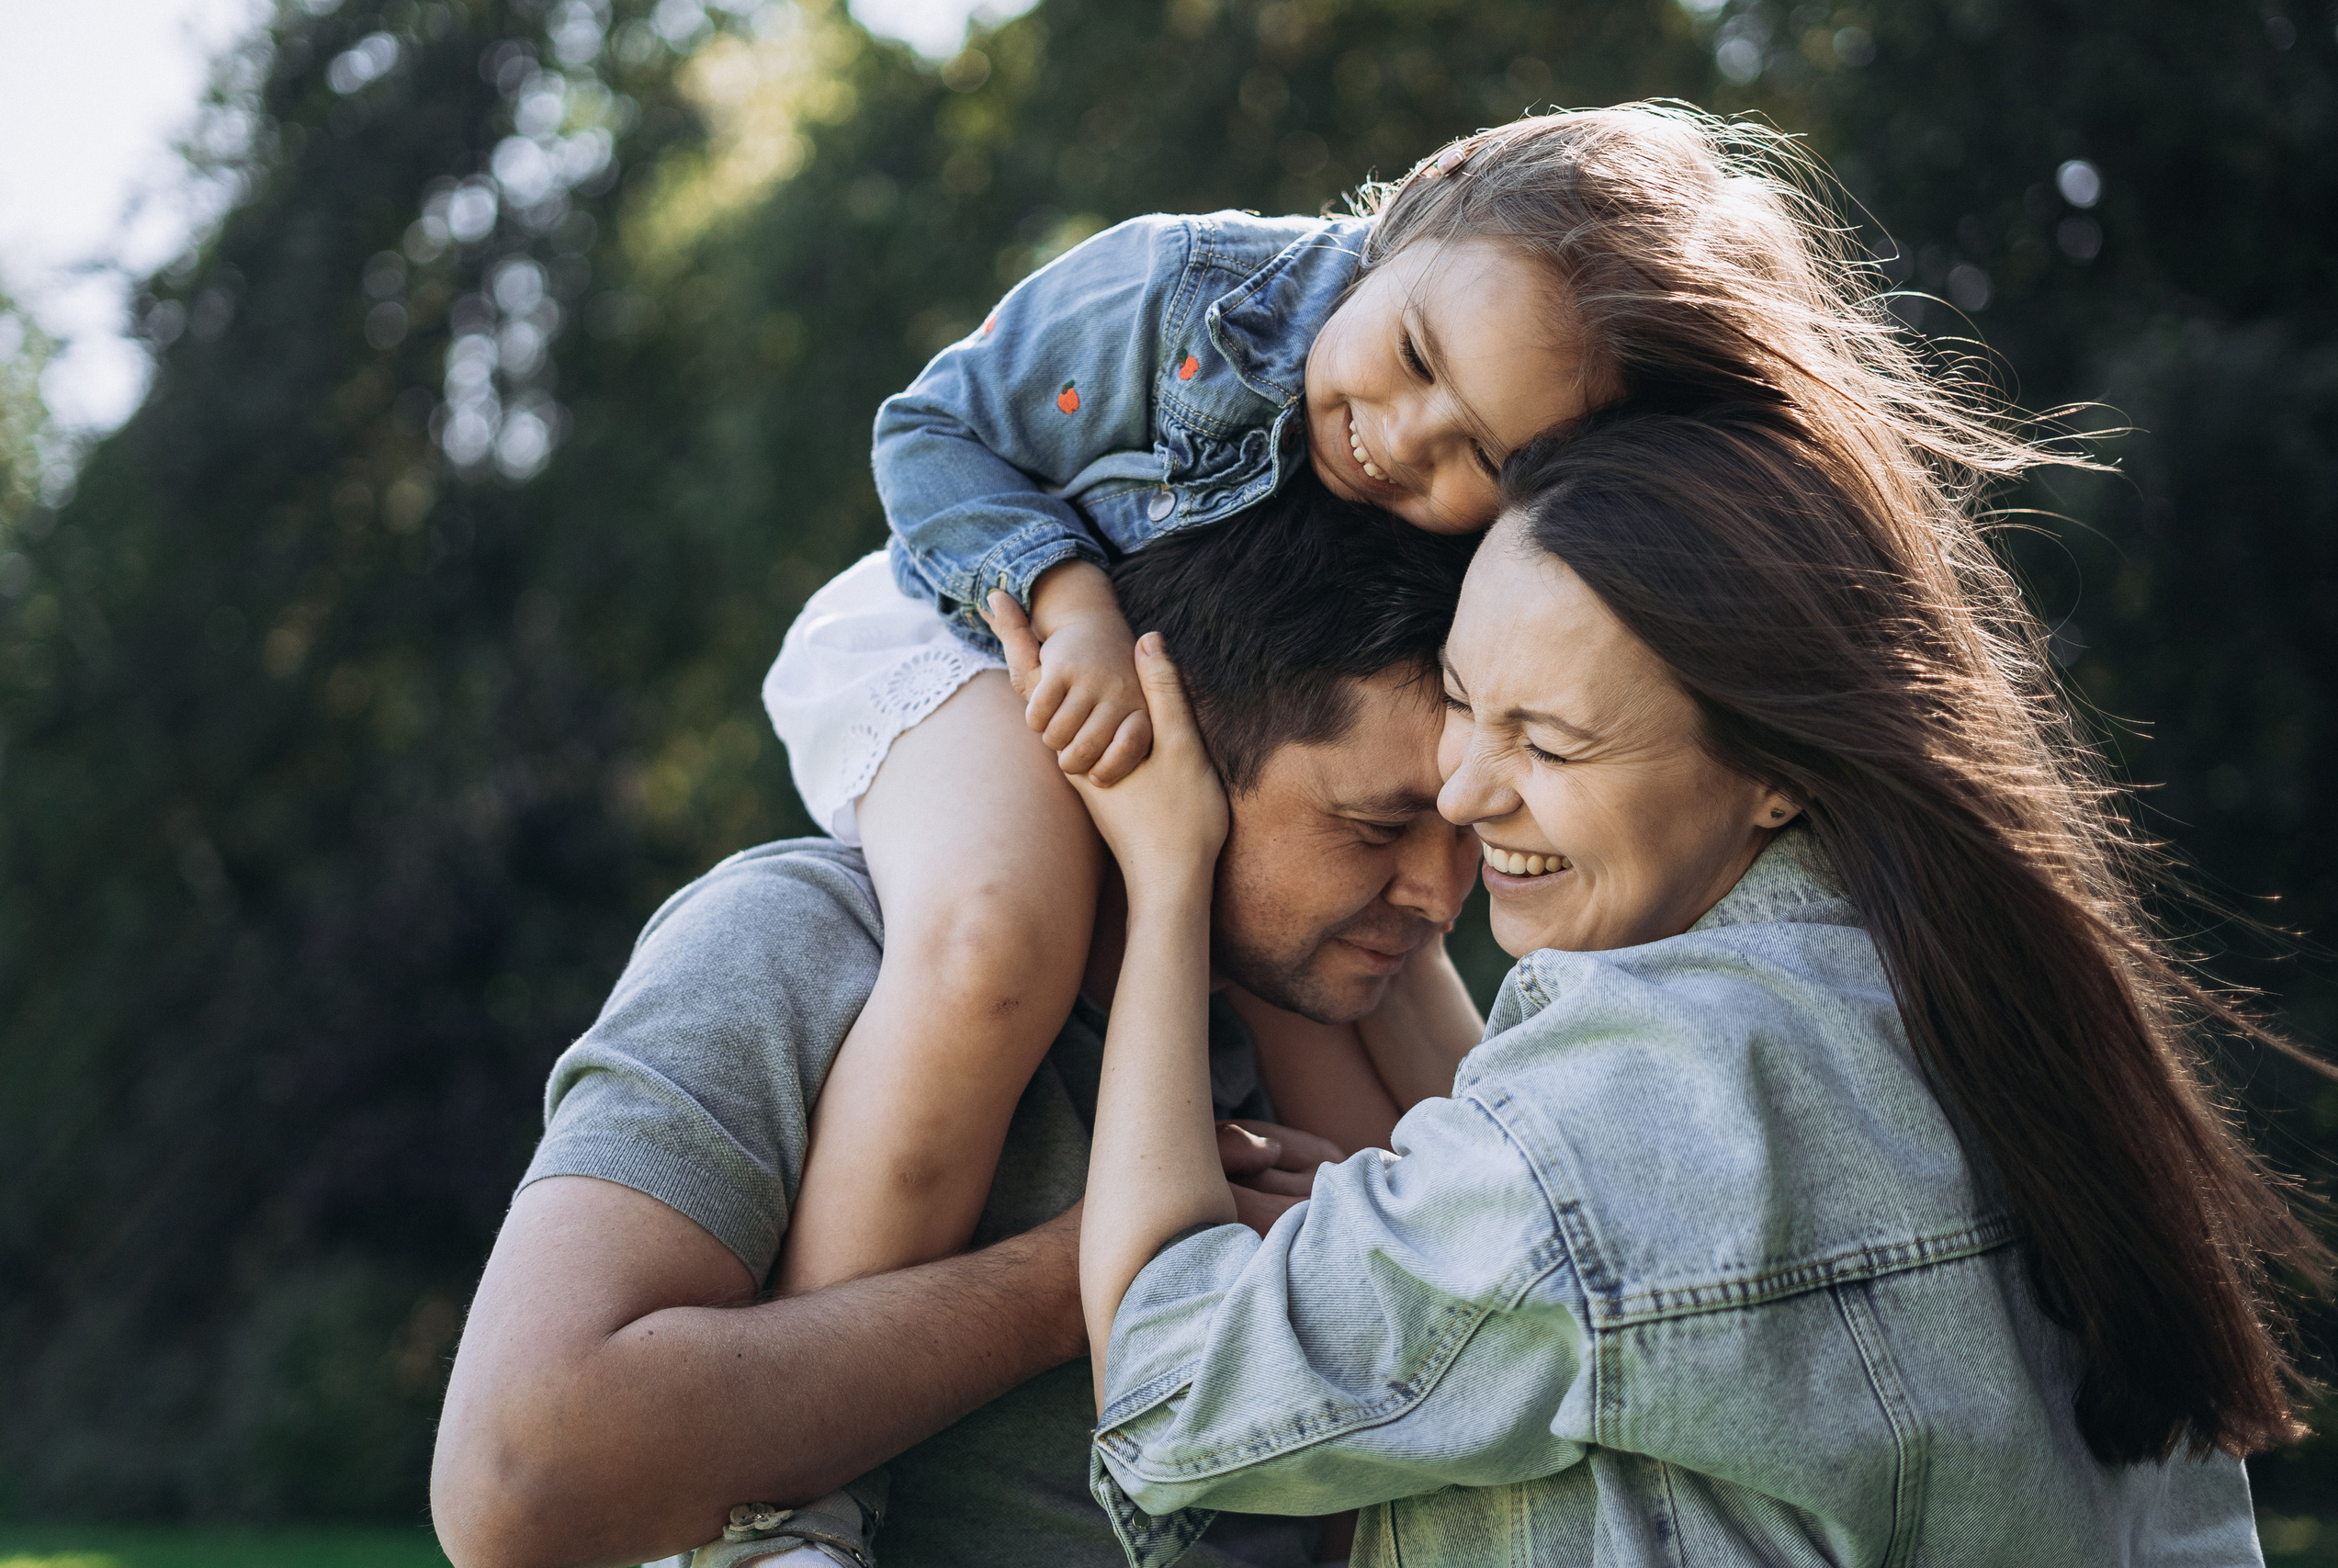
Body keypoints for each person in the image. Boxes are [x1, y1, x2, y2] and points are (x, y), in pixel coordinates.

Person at [760, 103, 1997, 1301]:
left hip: (1222, 699)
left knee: (1359, 975)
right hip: (960, 620)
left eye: (1483, 455)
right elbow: (928, 426)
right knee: (998, 930)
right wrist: (1066, 593)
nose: (1401, 440)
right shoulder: (1184, 292)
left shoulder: (1495, 531)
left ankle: (1457, 1240)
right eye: (1413, 357)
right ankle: (791, 1479)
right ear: (1428, 194)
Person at [1046, 405, 2320, 1565]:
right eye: (1460, 702)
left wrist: (1169, 876)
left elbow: (1170, 1385)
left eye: (1545, 739)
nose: (1462, 791)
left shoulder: (1624, 1111)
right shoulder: (2003, 1013)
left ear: (1772, 765)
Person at [427, 479, 1485, 1568]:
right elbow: (517, 1484)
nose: (1442, 895)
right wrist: (1106, 1267)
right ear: (1177, 744)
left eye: (1463, 827)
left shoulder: (1311, 1048)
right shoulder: (802, 946)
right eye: (1379, 825)